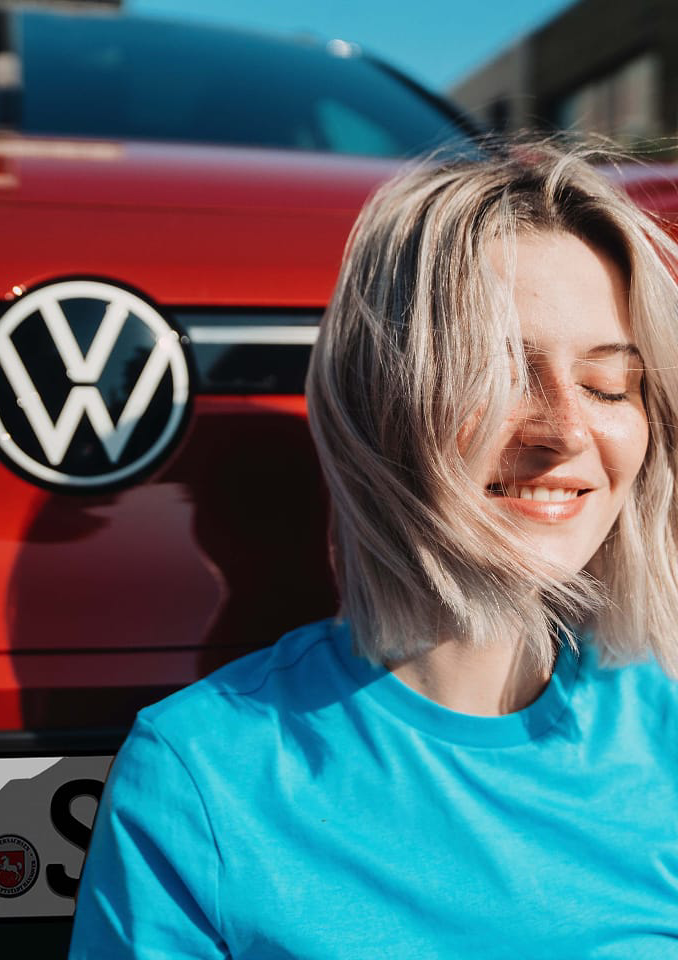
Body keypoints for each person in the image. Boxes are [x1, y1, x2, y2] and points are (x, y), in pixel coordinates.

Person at [69, 142, 678, 959]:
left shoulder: (664, 725)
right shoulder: (199, 777)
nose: (566, 430)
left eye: (610, 386)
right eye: (498, 374)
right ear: (379, 402)